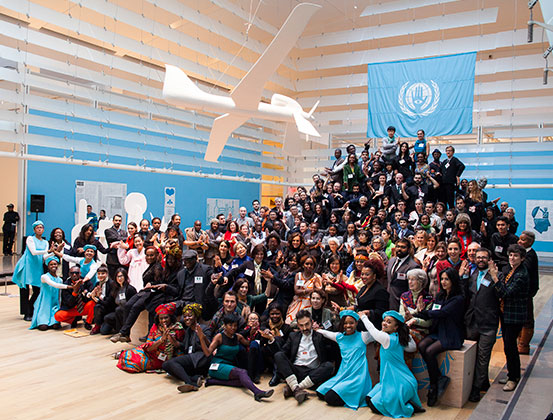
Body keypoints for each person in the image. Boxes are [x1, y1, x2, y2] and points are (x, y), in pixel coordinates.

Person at [415, 267, 465, 406]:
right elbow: (434, 310)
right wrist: (422, 311)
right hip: (439, 331)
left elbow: (443, 313)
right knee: (422, 345)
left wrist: (423, 312)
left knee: (430, 351)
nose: (443, 282)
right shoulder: (440, 296)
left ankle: (433, 385)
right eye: (441, 279)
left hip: (452, 333)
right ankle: (439, 377)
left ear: (453, 281)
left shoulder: (458, 299)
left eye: (446, 279)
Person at [196, 313, 274, 401]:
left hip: (229, 366)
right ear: (224, 325)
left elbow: (248, 344)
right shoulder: (219, 337)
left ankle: (212, 381)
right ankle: (257, 392)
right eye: (230, 325)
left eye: (235, 325)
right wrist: (201, 338)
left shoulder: (238, 337)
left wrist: (253, 334)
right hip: (217, 366)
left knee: (243, 381)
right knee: (242, 373)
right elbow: (207, 353)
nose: (233, 328)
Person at [364, 310, 424, 417]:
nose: (384, 323)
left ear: (395, 328)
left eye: (389, 322)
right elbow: (412, 347)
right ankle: (403, 401)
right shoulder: (398, 338)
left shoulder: (388, 339)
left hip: (401, 383)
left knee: (374, 405)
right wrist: (405, 329)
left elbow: (373, 331)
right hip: (389, 381)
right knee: (368, 399)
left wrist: (363, 317)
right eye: (384, 320)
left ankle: (408, 406)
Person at [270, 310, 334, 403]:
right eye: (301, 325)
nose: (304, 328)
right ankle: (297, 388)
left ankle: (295, 388)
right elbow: (282, 352)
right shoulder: (293, 336)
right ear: (298, 325)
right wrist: (272, 340)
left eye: (307, 324)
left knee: (329, 366)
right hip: (295, 370)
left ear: (312, 322)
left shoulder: (320, 336)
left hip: (312, 372)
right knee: (278, 355)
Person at [315, 310, 373, 409]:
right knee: (320, 392)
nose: (348, 326)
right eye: (345, 323)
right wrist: (316, 329)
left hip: (357, 378)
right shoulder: (339, 337)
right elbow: (325, 333)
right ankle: (341, 392)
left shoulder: (363, 336)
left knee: (329, 398)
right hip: (342, 375)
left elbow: (376, 333)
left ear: (356, 323)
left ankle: (350, 395)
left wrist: (365, 318)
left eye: (351, 323)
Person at [490, 244, 529, 392]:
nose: (512, 258)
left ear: (522, 258)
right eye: (510, 255)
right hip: (506, 313)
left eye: (516, 256)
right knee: (508, 345)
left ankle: (513, 378)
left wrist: (494, 277)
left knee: (510, 346)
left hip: (515, 315)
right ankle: (512, 373)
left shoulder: (521, 275)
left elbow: (505, 293)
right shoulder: (512, 270)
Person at [465, 248, 500, 402]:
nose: (480, 260)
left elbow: (502, 293)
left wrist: (495, 277)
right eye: (478, 257)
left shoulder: (496, 276)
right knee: (472, 356)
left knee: (482, 358)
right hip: (472, 322)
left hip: (488, 324)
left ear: (490, 260)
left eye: (484, 257)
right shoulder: (472, 275)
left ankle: (476, 389)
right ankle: (482, 382)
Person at [116, 303, 184, 373]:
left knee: (136, 363)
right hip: (151, 351)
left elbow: (180, 347)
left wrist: (170, 337)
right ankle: (122, 353)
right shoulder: (155, 326)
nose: (163, 321)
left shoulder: (178, 328)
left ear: (171, 317)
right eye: (161, 318)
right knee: (128, 355)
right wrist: (161, 340)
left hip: (164, 357)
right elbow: (148, 347)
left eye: (166, 317)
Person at [162, 303, 211, 392]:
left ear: (196, 316)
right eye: (185, 316)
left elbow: (209, 348)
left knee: (172, 363)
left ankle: (189, 383)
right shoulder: (188, 330)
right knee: (165, 365)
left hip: (201, 358)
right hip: (191, 357)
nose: (186, 318)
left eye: (190, 316)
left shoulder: (204, 328)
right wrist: (173, 340)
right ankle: (194, 378)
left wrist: (202, 337)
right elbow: (184, 346)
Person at [12, 220, 50, 321]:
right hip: (27, 265)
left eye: (41, 227)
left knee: (37, 290)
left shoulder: (46, 242)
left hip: (37, 267)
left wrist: (54, 252)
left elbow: (45, 256)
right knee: (24, 289)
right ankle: (26, 313)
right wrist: (48, 251)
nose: (39, 229)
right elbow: (33, 252)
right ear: (34, 229)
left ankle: (30, 308)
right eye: (37, 227)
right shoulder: (30, 239)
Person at [30, 255, 71, 331]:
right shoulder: (44, 277)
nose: (53, 266)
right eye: (51, 264)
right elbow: (54, 285)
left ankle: (53, 320)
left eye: (55, 264)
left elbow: (59, 295)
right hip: (44, 304)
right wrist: (69, 287)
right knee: (43, 327)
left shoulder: (60, 280)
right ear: (48, 266)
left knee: (55, 326)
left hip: (54, 305)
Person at [97, 267, 137, 336]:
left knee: (118, 310)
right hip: (118, 312)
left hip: (127, 312)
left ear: (125, 276)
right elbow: (109, 301)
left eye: (121, 276)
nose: (119, 278)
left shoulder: (130, 289)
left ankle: (121, 332)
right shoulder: (115, 289)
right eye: (118, 277)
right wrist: (98, 298)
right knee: (107, 319)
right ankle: (116, 329)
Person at [54, 265, 96, 329]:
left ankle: (88, 322)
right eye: (72, 273)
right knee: (58, 316)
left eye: (76, 273)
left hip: (84, 307)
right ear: (69, 274)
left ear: (80, 273)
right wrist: (75, 292)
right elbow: (68, 302)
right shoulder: (66, 284)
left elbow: (91, 295)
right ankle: (73, 320)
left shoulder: (86, 281)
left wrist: (85, 293)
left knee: (92, 303)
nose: (74, 275)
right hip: (72, 308)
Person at [518, 231, 539, 354]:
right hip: (522, 292)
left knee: (527, 318)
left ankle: (524, 344)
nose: (520, 241)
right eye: (519, 239)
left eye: (523, 240)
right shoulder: (525, 254)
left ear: (530, 242)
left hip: (527, 292)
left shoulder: (530, 255)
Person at [351, 260, 389, 327]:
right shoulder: (364, 288)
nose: (363, 277)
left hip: (371, 327)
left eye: (367, 274)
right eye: (362, 274)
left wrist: (368, 312)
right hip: (359, 324)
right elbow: (358, 305)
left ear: (374, 276)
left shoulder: (380, 291)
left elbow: (382, 312)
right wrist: (343, 309)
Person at [285, 254, 322, 323]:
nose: (309, 266)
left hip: (311, 303)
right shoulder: (298, 275)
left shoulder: (317, 277)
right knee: (290, 321)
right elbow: (296, 291)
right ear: (303, 265)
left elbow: (319, 291)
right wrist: (310, 290)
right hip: (298, 302)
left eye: (311, 264)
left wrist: (303, 291)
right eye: (307, 264)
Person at [400, 269, 433, 345]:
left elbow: (429, 322)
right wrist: (416, 311)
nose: (409, 282)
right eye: (408, 279)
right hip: (405, 329)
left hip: (421, 331)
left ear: (421, 281)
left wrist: (414, 320)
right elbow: (401, 317)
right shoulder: (404, 296)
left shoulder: (428, 298)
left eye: (413, 279)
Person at [386, 239, 420, 310]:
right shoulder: (391, 261)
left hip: (402, 303)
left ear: (409, 249)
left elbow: (412, 289)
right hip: (388, 300)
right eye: (398, 246)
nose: (399, 249)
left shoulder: (413, 266)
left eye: (403, 247)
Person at [104, 214, 126, 279]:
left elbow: (126, 241)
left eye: (119, 221)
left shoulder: (124, 232)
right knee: (112, 280)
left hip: (122, 259)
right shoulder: (108, 231)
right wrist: (124, 238)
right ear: (113, 221)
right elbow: (114, 238)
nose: (118, 222)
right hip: (112, 259)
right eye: (116, 220)